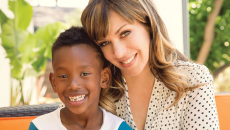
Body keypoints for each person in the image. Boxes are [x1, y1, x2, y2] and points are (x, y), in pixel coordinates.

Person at [80, 0, 220, 130]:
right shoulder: (95, 90)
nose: (118, 53)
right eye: (104, 43)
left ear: (149, 25)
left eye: (125, 33)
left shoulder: (193, 80)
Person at [28, 27, 132, 130]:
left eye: (85, 74)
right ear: (54, 82)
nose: (73, 85)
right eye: (63, 76)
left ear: (104, 78)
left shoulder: (118, 127)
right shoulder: (40, 127)